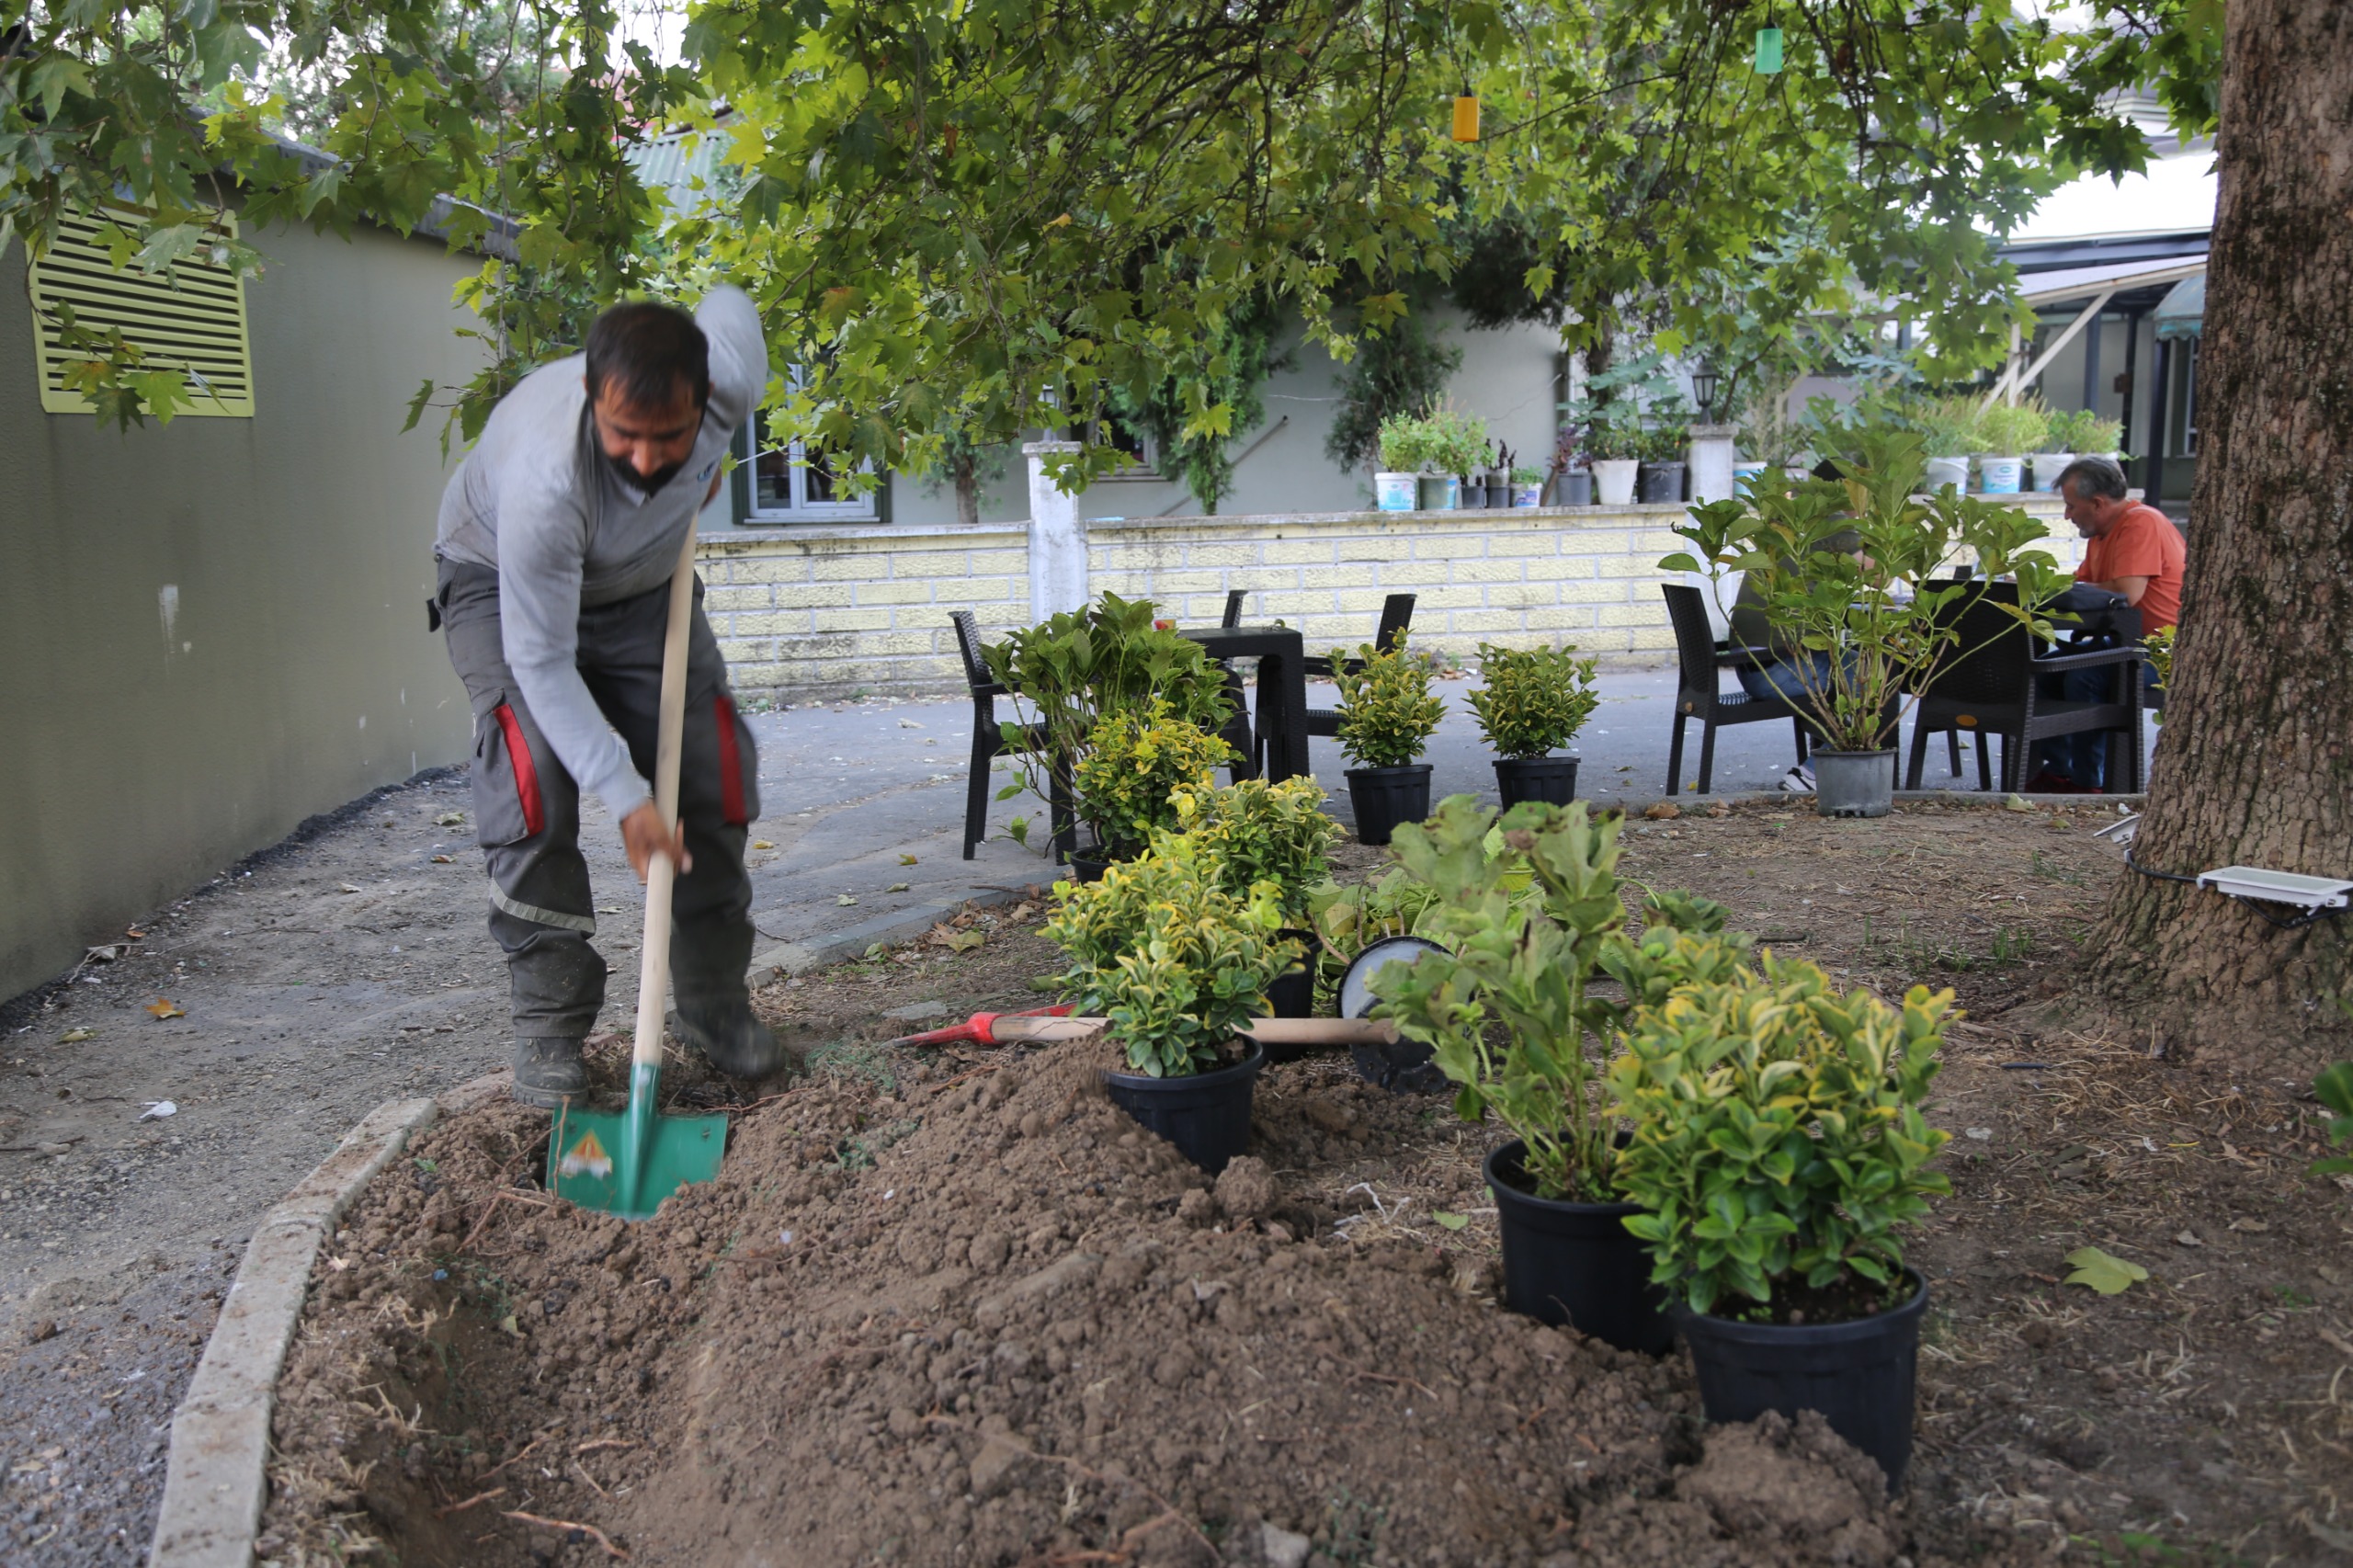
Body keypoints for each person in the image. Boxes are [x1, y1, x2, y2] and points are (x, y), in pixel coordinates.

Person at [430, 290, 786, 1107]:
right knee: (533, 779)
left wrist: (705, 469)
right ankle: (551, 1031)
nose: (646, 460)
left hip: (644, 591)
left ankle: (712, 1004)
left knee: (711, 767)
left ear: (707, 400)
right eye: (623, 434)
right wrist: (627, 798)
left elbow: (728, 299)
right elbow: (544, 661)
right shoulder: (545, 479)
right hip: (502, 581)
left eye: (672, 438)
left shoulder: (729, 377)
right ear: (593, 399)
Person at [2027, 455, 2186, 791]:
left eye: (2071, 506)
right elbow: (2083, 588)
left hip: (2162, 652)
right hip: (2120, 643)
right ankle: (2059, 773)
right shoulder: (2101, 534)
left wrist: (2063, 590)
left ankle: (2088, 785)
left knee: (2085, 676)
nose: (2067, 516)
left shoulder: (2141, 523)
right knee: (2045, 671)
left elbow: (2127, 592)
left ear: (2097, 503)